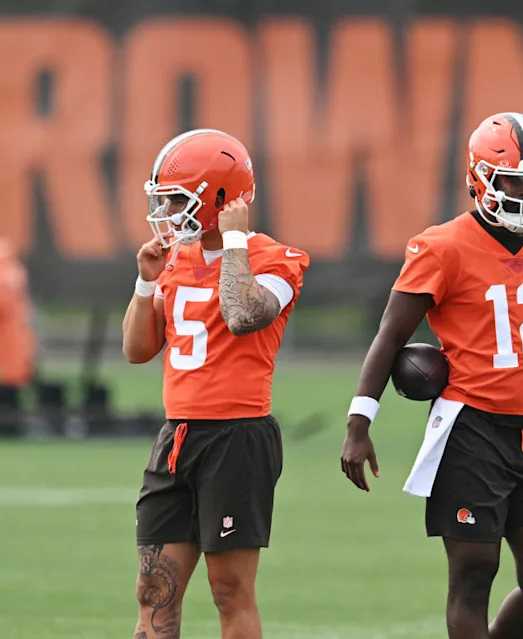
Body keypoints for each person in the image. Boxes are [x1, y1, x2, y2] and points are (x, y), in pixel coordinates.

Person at [340, 112, 523, 638]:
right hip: (470, 432)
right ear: (479, 178)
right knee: (474, 573)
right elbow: (390, 337)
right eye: (515, 180)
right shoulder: (442, 246)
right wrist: (358, 422)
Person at [123, 128, 309, 638]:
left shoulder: (275, 259)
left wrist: (232, 241)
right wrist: (144, 283)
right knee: (153, 592)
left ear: (222, 199)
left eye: (178, 200)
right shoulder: (174, 260)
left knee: (229, 591)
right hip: (177, 437)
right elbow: (138, 351)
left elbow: (243, 313)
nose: (166, 212)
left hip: (237, 438)